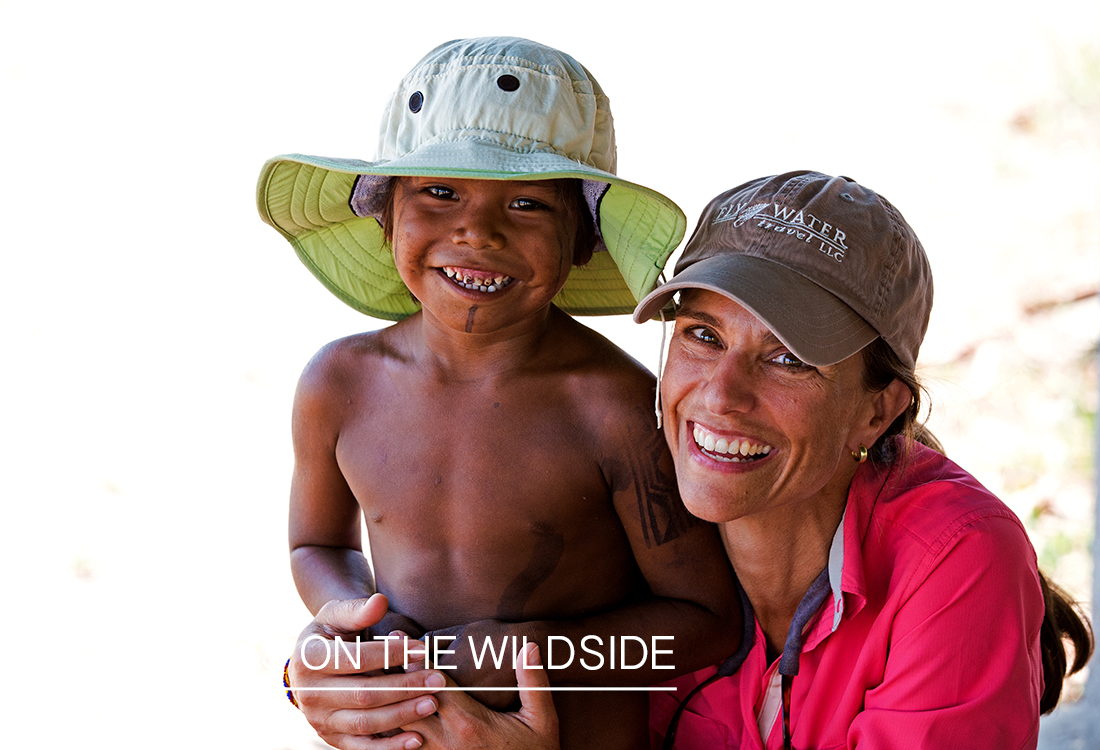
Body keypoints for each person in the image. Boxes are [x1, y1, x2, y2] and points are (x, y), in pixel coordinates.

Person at [257, 37, 741, 750]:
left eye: (525, 204)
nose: (477, 230)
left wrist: (523, 655)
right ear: (385, 214)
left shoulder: (612, 410)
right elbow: (314, 543)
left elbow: (705, 623)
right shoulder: (339, 383)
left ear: (583, 238)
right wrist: (356, 616)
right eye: (440, 193)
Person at [631, 171, 1094, 749]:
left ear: (877, 411)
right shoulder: (623, 504)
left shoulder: (957, 557)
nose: (720, 395)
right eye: (703, 335)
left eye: (788, 358)